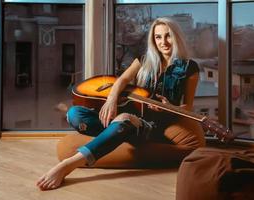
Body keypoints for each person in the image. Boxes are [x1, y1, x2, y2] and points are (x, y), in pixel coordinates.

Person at [37, 17, 204, 190]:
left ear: (176, 37)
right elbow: (122, 79)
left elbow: (188, 107)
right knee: (75, 114)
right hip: (128, 114)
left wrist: (169, 107)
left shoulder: (189, 68)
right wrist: (111, 100)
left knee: (124, 119)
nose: (163, 42)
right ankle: (117, 133)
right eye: (158, 37)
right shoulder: (144, 60)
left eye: (168, 36)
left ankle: (68, 164)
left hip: (152, 126)